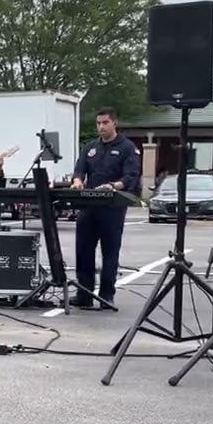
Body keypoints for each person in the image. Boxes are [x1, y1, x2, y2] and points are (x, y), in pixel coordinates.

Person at [71, 107, 141, 309]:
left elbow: (131, 176)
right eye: (98, 123)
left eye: (105, 123)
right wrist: (77, 181)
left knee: (109, 253)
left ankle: (106, 295)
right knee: (83, 251)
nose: (101, 127)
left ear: (114, 123)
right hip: (89, 207)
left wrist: (113, 186)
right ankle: (84, 294)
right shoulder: (90, 147)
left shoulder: (127, 147)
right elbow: (79, 170)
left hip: (112, 207)